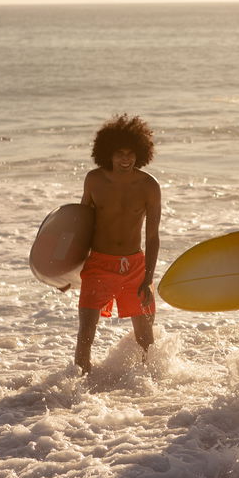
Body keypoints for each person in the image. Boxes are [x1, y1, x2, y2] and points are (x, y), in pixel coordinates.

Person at [75, 114, 161, 373]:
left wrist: (148, 277)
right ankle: (75, 391)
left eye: (131, 153)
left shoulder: (149, 186)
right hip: (98, 265)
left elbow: (153, 236)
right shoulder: (94, 180)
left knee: (146, 339)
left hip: (134, 267)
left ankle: (150, 389)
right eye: (119, 153)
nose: (126, 159)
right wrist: (66, 273)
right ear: (107, 153)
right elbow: (79, 227)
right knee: (86, 335)